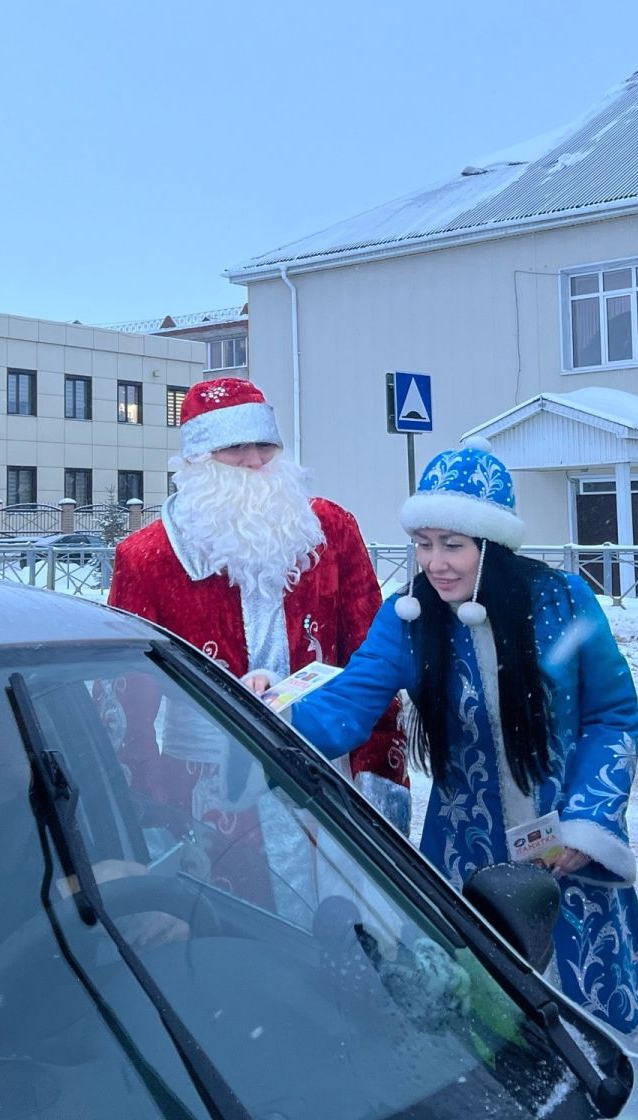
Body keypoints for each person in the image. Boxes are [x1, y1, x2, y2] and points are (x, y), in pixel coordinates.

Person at [287, 446, 638, 1040]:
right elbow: (345, 707)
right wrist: (261, 715)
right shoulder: (410, 619)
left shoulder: (563, 602)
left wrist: (588, 824)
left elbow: (614, 717)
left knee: (585, 1036)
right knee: (475, 1030)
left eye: (453, 544)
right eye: (423, 543)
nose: (434, 563)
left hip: (567, 853)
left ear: (491, 544)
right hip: (464, 859)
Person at [106, 377, 411, 899]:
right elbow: (124, 699)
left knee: (350, 927)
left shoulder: (329, 530)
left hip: (324, 763)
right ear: (199, 459)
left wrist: (379, 770)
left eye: (265, 445)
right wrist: (146, 800)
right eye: (234, 447)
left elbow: (372, 659)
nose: (254, 461)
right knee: (236, 930)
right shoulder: (148, 556)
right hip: (205, 785)